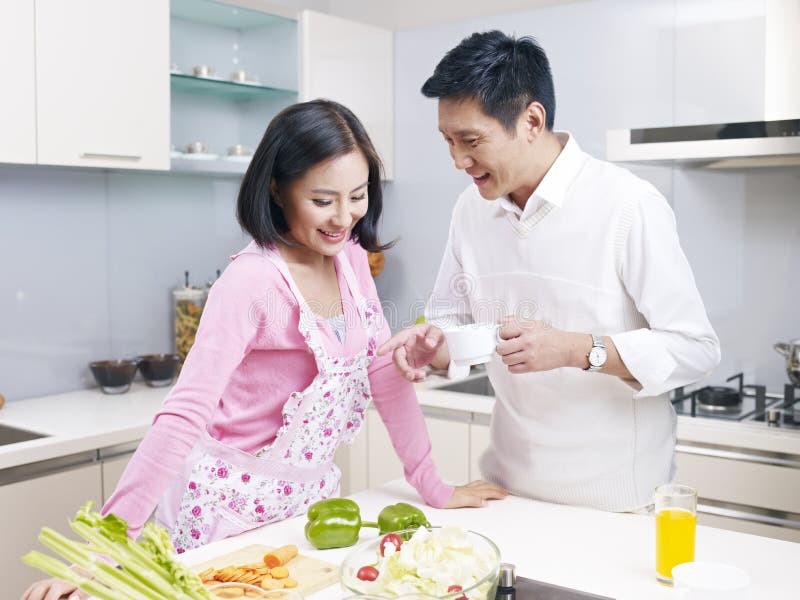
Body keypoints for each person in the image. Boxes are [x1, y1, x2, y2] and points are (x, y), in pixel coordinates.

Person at [23, 99, 506, 600]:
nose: (344, 217)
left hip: (301, 517)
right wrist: (97, 558)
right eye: (323, 201)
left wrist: (433, 484)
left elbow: (383, 374)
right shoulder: (250, 282)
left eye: (358, 195)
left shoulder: (352, 261)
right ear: (277, 189)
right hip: (218, 518)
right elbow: (182, 417)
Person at [378, 31, 721, 513]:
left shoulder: (628, 205)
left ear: (532, 121)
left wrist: (576, 350)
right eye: (449, 142)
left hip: (617, 505)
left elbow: (696, 347)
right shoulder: (470, 211)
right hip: (506, 492)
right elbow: (451, 324)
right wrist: (432, 348)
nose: (458, 160)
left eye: (471, 141)